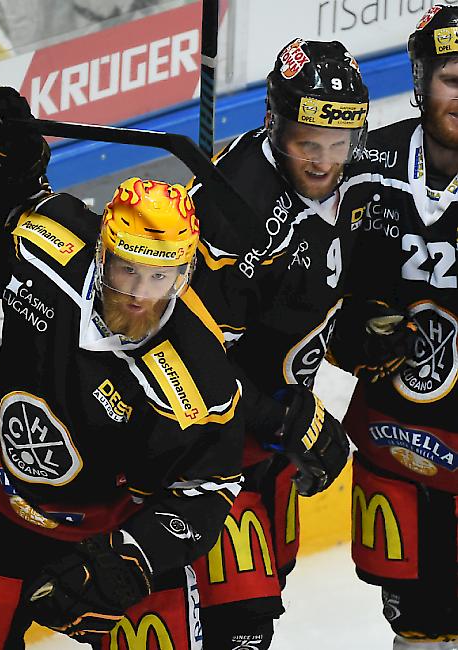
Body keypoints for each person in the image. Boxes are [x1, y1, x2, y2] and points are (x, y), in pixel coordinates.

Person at [0, 84, 246, 649]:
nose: (140, 294)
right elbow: (6, 208)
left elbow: (208, 485)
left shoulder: (198, 373)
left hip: (108, 530)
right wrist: (11, 151)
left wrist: (134, 559)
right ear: (102, 252)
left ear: (184, 276)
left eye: (160, 277)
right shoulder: (52, 245)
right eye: (126, 271)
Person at [168, 39, 371, 649]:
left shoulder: (357, 181)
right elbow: (186, 354)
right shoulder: (238, 210)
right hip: (205, 448)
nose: (324, 160)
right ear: (274, 125)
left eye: (339, 143)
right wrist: (280, 414)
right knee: (241, 625)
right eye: (308, 141)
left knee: (265, 592)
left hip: (270, 446)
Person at [330, 6, 458, 649]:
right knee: (416, 627)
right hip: (396, 440)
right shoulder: (368, 162)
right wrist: (348, 335)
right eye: (453, 77)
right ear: (419, 78)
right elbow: (312, 292)